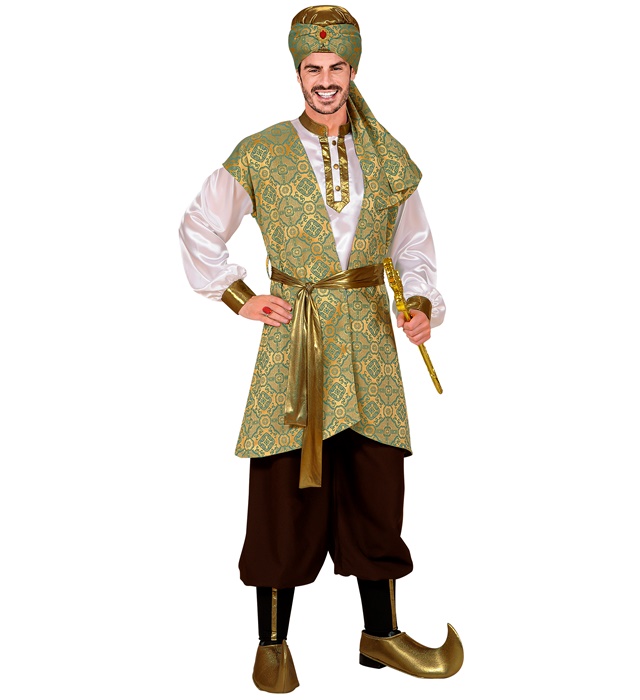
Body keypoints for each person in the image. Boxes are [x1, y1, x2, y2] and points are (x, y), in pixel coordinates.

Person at [179, 5, 463, 693]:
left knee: (375, 483)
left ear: (353, 71)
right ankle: (272, 646)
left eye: (337, 67)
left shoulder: (386, 155)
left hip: (368, 340)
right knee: (283, 489)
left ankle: (381, 635)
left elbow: (414, 246)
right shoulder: (261, 151)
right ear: (298, 72)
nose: (326, 80)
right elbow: (198, 226)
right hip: (295, 340)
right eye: (314, 68)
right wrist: (240, 296)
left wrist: (419, 304)